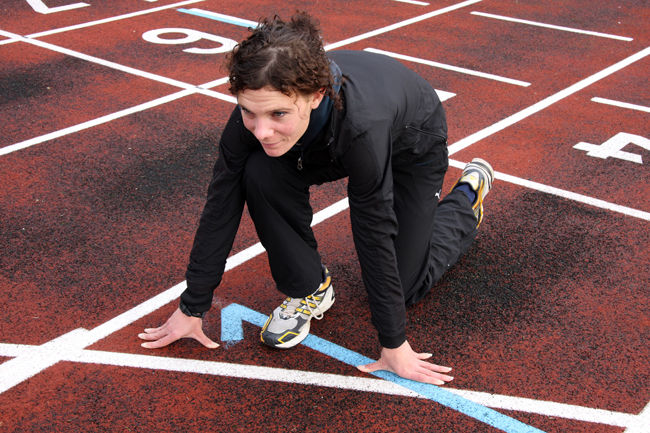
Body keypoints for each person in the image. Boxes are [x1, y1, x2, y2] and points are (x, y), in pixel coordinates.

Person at [138, 11, 494, 386]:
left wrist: (394, 343)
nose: (261, 131)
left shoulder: (362, 130)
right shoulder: (259, 112)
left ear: (315, 95)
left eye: (277, 114)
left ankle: (466, 198)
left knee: (406, 286)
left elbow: (374, 230)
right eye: (248, 112)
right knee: (258, 171)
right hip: (320, 138)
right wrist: (193, 306)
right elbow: (220, 206)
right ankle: (310, 288)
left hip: (411, 142)